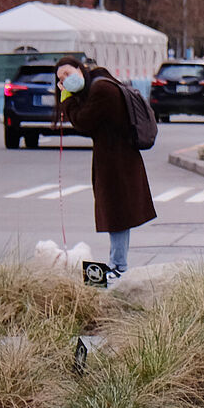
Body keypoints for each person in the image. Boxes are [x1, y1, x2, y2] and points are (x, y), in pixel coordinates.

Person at [55, 57, 156, 276]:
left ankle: (118, 266)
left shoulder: (101, 89)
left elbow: (83, 121)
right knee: (117, 213)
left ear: (80, 69)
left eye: (68, 73)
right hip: (115, 159)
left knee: (117, 213)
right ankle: (117, 263)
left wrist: (67, 98)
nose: (65, 80)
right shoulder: (100, 84)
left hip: (117, 162)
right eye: (61, 78)